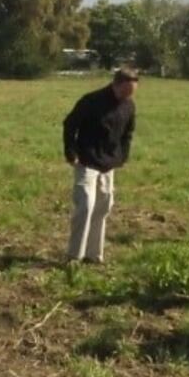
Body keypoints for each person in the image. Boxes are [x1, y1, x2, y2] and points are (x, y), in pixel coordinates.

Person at [63, 68, 138, 264]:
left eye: (132, 92)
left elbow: (128, 134)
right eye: (126, 91)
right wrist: (70, 152)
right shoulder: (91, 101)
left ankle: (94, 255)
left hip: (109, 162)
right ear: (116, 84)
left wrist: (122, 156)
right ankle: (74, 256)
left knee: (103, 207)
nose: (128, 96)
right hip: (86, 160)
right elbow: (70, 124)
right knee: (85, 205)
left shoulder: (128, 106)